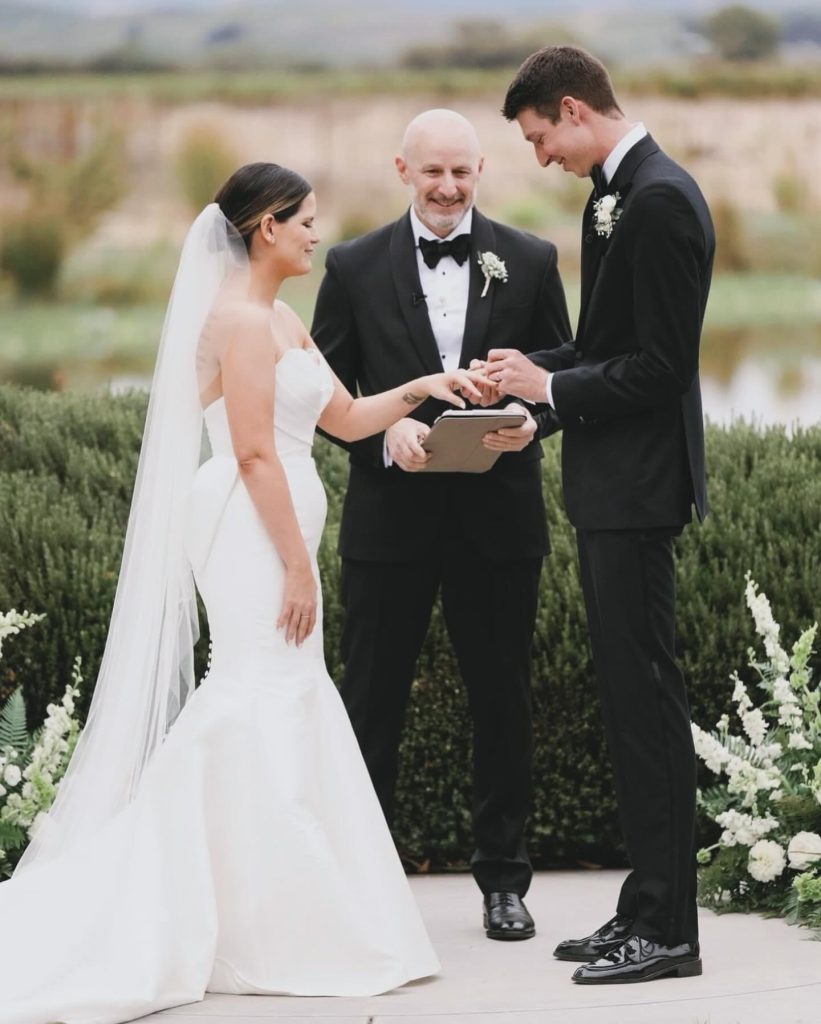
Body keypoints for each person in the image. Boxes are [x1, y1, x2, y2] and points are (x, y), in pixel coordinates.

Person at [0, 163, 488, 1023]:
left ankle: (267, 904)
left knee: (286, 691)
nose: (314, 234)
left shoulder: (281, 317)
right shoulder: (234, 321)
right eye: (303, 221)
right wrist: (296, 563)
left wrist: (422, 389)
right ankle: (218, 902)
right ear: (265, 226)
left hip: (277, 523)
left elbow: (341, 419)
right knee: (252, 687)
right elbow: (256, 452)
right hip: (248, 530)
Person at [478, 46, 714, 984]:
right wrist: (529, 396)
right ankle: (642, 908)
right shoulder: (614, 195)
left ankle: (669, 932)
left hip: (639, 490)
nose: (540, 157)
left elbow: (660, 368)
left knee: (647, 707)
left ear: (572, 110)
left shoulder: (656, 200)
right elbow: (605, 346)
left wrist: (555, 387)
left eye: (539, 138)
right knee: (627, 704)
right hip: (610, 487)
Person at [311, 109, 571, 941]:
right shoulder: (351, 267)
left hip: (498, 523)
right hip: (389, 524)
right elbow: (320, 393)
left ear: (481, 168)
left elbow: (564, 373)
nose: (449, 189)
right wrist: (383, 429)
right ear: (401, 169)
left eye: (462, 173)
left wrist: (530, 422)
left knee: (501, 704)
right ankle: (363, 883)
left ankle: (504, 883)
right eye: (433, 174)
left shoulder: (529, 260)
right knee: (369, 705)